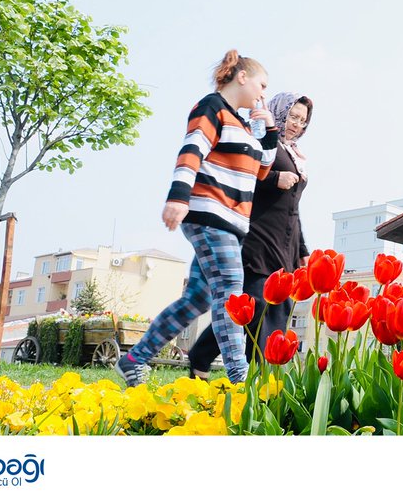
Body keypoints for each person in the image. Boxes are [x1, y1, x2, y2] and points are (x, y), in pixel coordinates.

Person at [115, 50, 277, 387]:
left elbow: (262, 169)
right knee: (231, 294)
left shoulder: (244, 124)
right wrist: (178, 197)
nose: (264, 93)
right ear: (242, 76)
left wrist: (268, 128)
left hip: (231, 223)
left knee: (198, 299)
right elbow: (192, 150)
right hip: (210, 215)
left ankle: (134, 360)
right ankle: (239, 380)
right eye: (262, 85)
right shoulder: (212, 107)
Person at [187, 92, 314, 379]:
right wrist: (274, 178)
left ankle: (246, 375)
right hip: (257, 235)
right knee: (256, 305)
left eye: (302, 121)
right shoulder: (262, 140)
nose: (297, 124)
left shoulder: (295, 155)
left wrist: (302, 249)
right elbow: (240, 172)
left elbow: (293, 209)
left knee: (271, 307)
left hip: (285, 243)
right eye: (293, 116)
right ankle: (224, 366)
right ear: (279, 113)